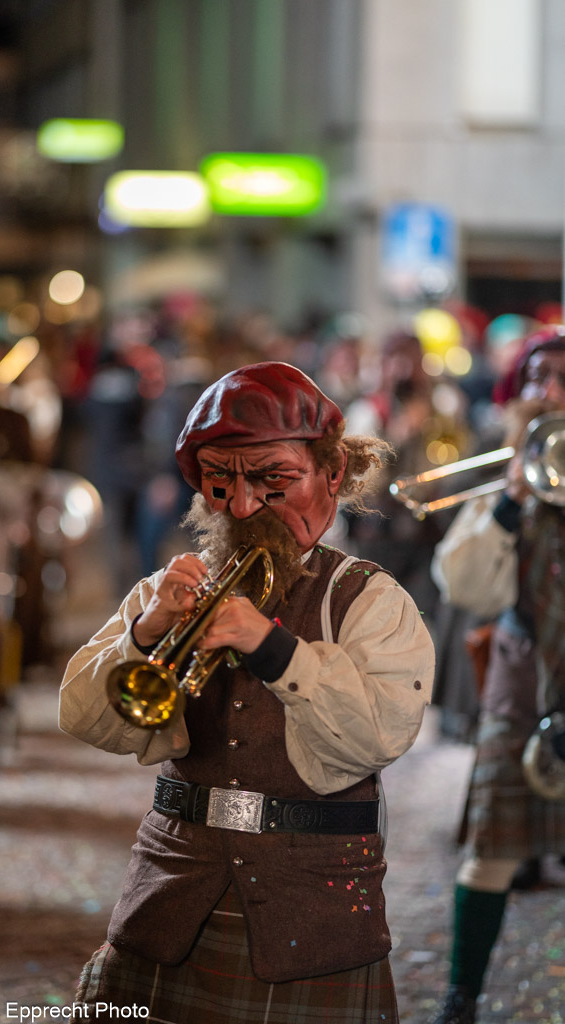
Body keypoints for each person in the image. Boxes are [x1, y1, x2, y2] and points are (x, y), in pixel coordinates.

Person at [59, 361, 435, 1023]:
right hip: (169, 896)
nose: (240, 506)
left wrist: (273, 650)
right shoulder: (167, 589)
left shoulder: (370, 599)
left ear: (332, 474)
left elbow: (380, 736)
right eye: (219, 483)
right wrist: (146, 634)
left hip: (313, 910)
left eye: (272, 481)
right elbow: (84, 717)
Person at [429, 325, 565, 1024]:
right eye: (539, 381)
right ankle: (461, 996)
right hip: (522, 677)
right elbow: (462, 586)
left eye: (563, 381)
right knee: (491, 849)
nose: (551, 394)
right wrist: (511, 501)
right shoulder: (507, 480)